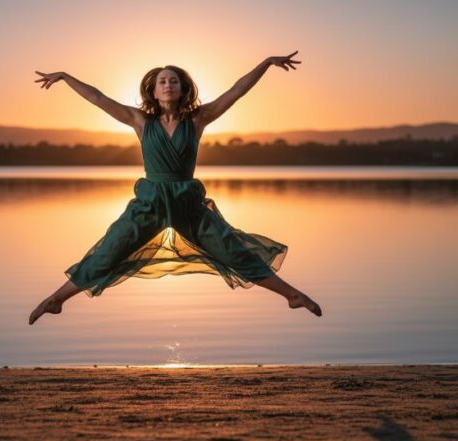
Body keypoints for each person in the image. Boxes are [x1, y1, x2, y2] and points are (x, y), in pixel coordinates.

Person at [29, 51, 322, 325]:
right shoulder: (140, 121)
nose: (168, 84)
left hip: (187, 205)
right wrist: (66, 77)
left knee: (235, 253)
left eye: (173, 80)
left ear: (182, 89)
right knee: (107, 253)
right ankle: (56, 299)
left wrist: (266, 63)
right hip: (149, 205)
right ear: (153, 91)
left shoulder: (197, 120)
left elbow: (236, 91)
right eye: (162, 81)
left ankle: (292, 296)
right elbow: (98, 97)